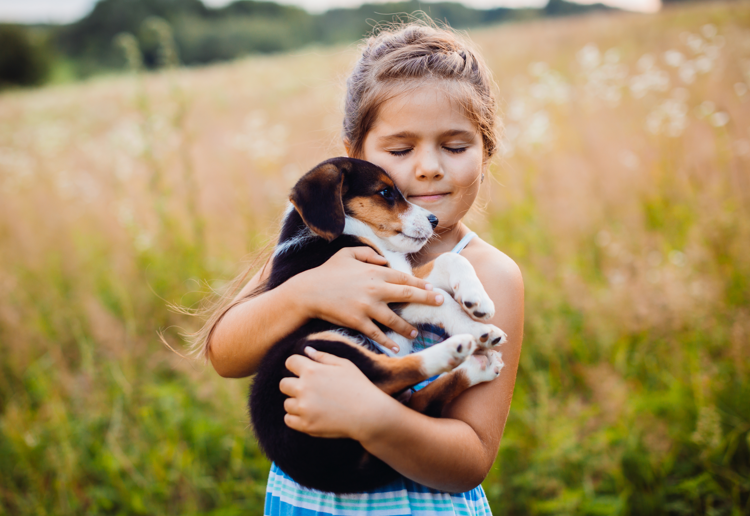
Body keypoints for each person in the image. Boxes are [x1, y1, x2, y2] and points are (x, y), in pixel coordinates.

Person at [199, 20, 524, 516]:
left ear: (487, 151)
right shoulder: (316, 250)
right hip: (305, 502)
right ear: (354, 158)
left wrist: (370, 416)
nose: (428, 168)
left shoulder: (489, 273)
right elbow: (226, 355)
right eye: (399, 150)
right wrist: (301, 294)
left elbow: (471, 459)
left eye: (456, 146)